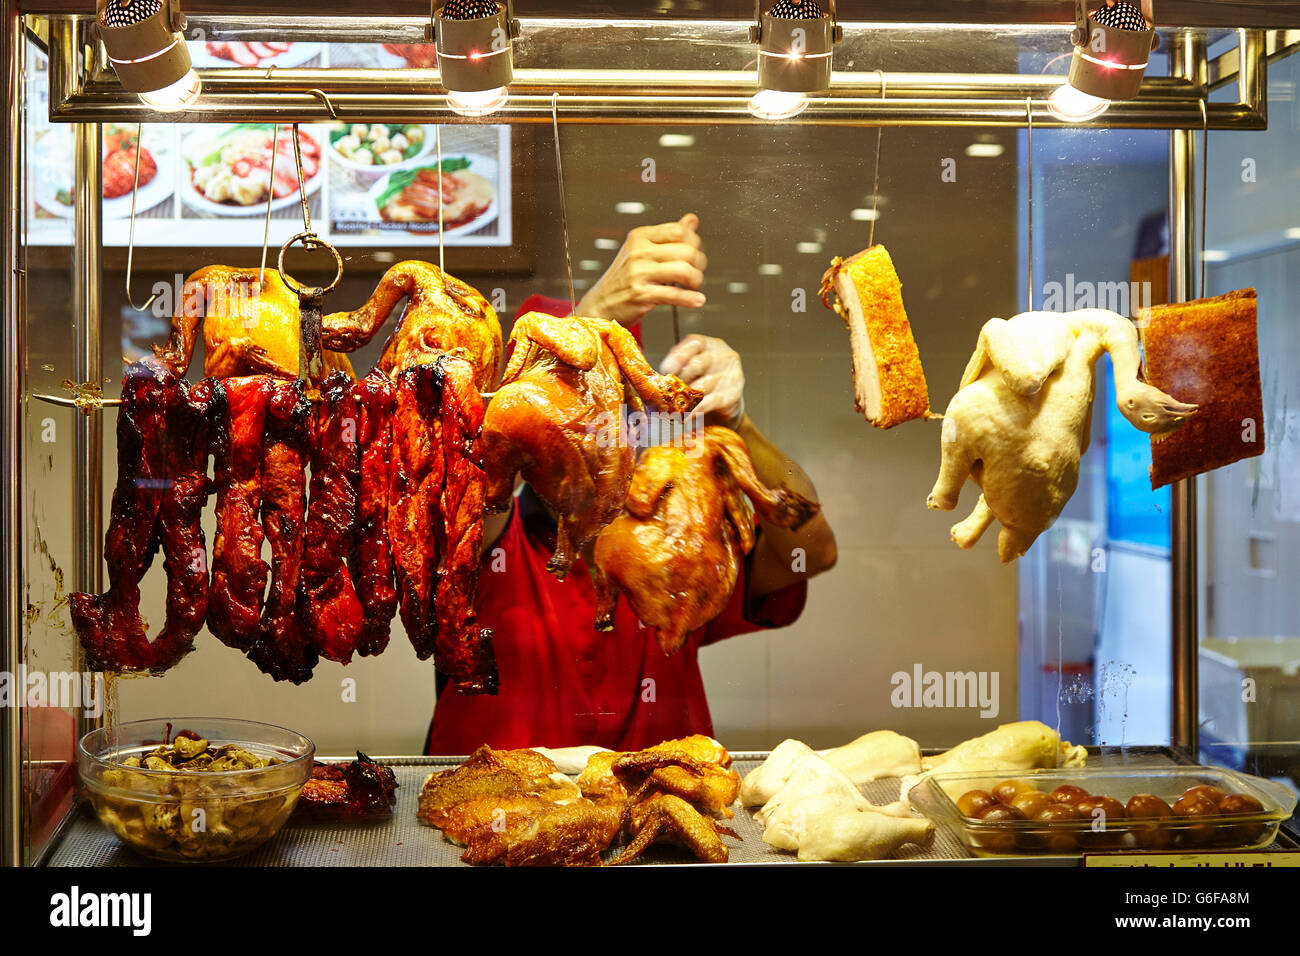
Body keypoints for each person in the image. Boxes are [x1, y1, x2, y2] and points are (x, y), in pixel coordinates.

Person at [424, 213, 837, 753]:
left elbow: (812, 549)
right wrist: (592, 318)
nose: (591, 436)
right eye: (568, 407)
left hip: (662, 815)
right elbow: (475, 491)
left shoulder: (674, 537)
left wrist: (736, 421)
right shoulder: (493, 538)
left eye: (614, 411)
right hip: (486, 814)